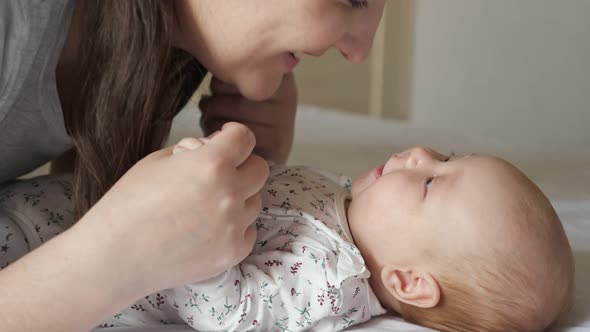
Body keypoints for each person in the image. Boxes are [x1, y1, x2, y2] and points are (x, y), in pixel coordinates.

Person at [0, 1, 386, 330]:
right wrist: (114, 258)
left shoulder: (164, 54)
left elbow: (65, 210)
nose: (360, 50)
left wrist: (252, 181)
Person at [1, 145, 574, 332]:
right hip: (59, 200)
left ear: (409, 282)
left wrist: (199, 247)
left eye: (429, 183)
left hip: (44, 257)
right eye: (445, 156)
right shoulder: (346, 200)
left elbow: (229, 313)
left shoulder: (328, 286)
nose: (420, 153)